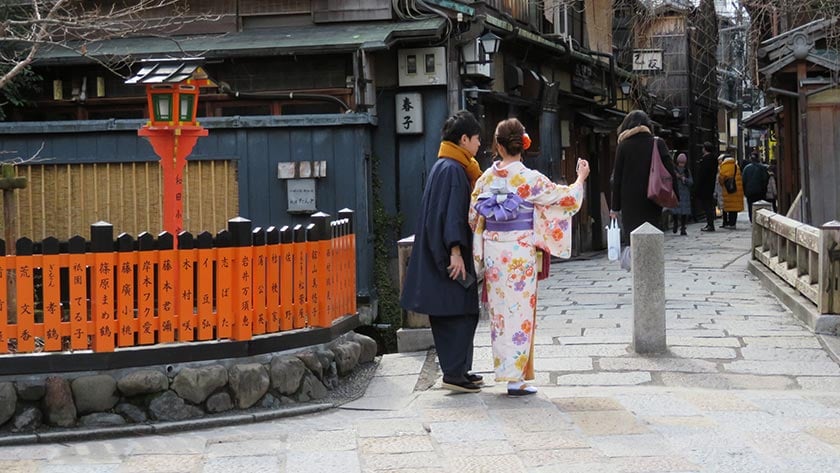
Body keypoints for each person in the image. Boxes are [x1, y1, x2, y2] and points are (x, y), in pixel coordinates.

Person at [469, 118, 590, 396]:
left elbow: (473, 216)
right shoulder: (529, 179)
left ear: (498, 146)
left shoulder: (485, 179)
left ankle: (507, 372)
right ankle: (516, 379)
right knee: (521, 313)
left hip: (494, 253)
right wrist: (580, 178)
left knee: (499, 315)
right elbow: (566, 199)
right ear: (522, 145)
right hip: (520, 252)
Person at [400, 110, 484, 394]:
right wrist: (456, 250)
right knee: (458, 311)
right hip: (449, 255)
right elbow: (452, 216)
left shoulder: (445, 165)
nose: (478, 145)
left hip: (440, 252)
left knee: (459, 310)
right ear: (463, 139)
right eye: (476, 139)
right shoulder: (453, 170)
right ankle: (453, 373)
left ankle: (459, 369)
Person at [608, 110, 678, 242]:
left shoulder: (623, 146)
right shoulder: (658, 143)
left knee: (632, 239)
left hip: (629, 202)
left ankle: (635, 262)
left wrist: (615, 208)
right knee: (651, 237)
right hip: (653, 197)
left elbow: (617, 178)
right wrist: (674, 196)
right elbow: (670, 172)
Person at [695, 141, 719, 232]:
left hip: (705, 186)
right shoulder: (713, 159)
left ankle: (710, 224)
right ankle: (710, 224)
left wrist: (698, 186)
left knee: (707, 206)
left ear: (705, 149)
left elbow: (703, 174)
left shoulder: (706, 160)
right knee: (708, 205)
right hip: (710, 185)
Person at [669, 153, 693, 235]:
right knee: (675, 210)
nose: (681, 165)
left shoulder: (686, 171)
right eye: (680, 163)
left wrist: (684, 179)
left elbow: (691, 182)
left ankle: (682, 227)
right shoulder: (674, 170)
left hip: (683, 192)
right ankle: (677, 224)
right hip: (677, 191)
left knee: (683, 211)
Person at [718, 154, 744, 229]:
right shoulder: (736, 165)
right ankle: (733, 223)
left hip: (728, 189)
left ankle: (729, 223)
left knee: (729, 207)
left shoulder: (725, 166)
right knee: (734, 208)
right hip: (736, 189)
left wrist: (721, 182)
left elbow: (722, 177)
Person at [741, 152, 769, 222]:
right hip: (760, 191)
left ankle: (752, 219)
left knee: (751, 206)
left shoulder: (746, 168)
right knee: (761, 206)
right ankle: (760, 220)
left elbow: (743, 181)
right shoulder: (762, 168)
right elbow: (765, 179)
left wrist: (745, 191)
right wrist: (764, 189)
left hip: (749, 191)